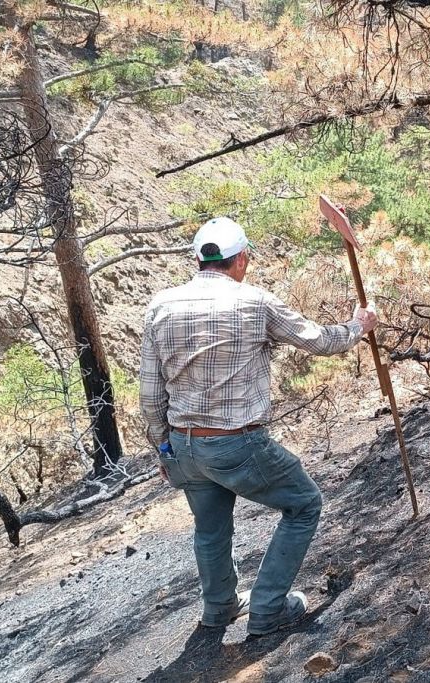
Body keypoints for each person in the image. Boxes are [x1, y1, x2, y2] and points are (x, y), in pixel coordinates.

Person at [139, 217, 377, 635]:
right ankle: (267, 608)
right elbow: (320, 341)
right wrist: (359, 326)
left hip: (184, 446)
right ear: (242, 259)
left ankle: (220, 609)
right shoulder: (254, 301)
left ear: (198, 259)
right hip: (236, 443)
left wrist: (164, 448)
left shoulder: (161, 305)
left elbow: (149, 392)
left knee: (210, 528)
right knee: (304, 504)